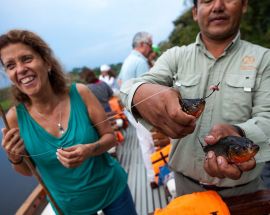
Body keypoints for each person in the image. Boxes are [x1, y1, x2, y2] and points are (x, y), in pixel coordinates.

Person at [121, 0, 270, 198]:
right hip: (186, 189)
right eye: (207, 0)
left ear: (244, 5)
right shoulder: (174, 57)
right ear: (194, 11)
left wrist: (239, 131)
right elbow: (129, 87)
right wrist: (140, 94)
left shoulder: (264, 59)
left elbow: (267, 117)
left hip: (246, 192)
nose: (217, 6)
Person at [0, 29, 137, 215]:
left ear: (46, 62)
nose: (20, 69)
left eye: (26, 59)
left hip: (112, 191)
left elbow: (110, 138)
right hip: (69, 208)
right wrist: (14, 157)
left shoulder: (80, 93)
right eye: (10, 65)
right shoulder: (14, 118)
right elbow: (27, 170)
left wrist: (89, 150)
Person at [118, 31, 158, 188]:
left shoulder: (128, 60)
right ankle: (157, 175)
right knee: (152, 144)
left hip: (130, 112)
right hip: (141, 112)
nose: (151, 48)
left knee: (144, 144)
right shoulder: (140, 62)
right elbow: (148, 90)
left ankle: (151, 176)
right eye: (150, 44)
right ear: (142, 45)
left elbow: (120, 81)